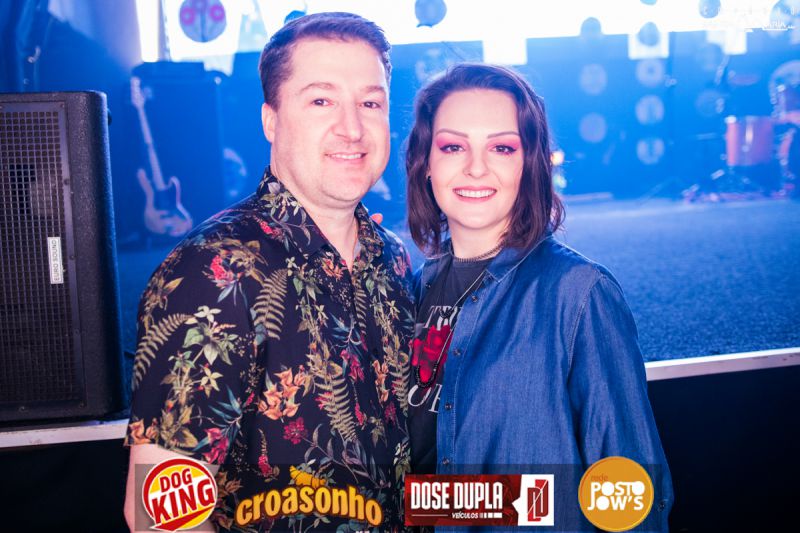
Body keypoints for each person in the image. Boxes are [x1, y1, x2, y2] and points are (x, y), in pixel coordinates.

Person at [123, 12, 415, 532]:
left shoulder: (391, 258)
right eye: (321, 101)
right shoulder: (213, 271)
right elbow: (156, 517)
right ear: (271, 120)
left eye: (370, 103)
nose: (352, 128)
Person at [405, 63, 673, 530]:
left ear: (529, 162)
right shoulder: (413, 290)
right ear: (426, 162)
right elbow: (422, 486)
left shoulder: (580, 295)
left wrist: (479, 502)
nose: (475, 167)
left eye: (501, 147)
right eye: (452, 146)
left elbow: (629, 497)